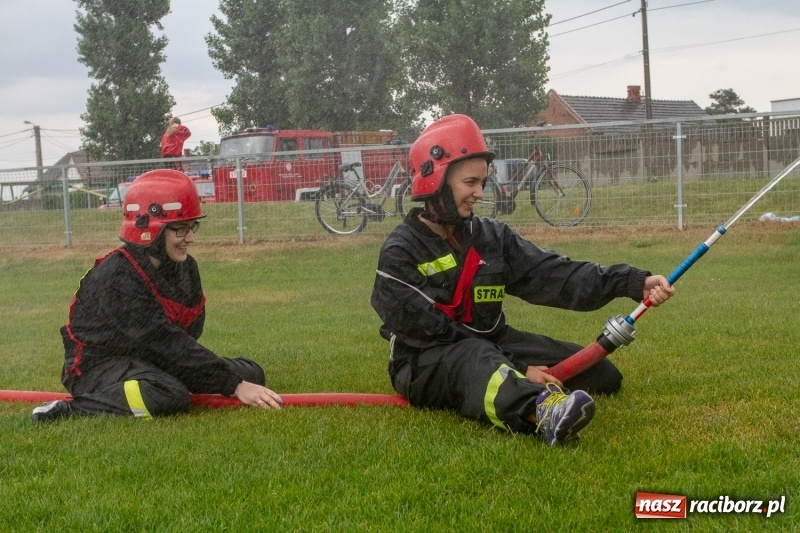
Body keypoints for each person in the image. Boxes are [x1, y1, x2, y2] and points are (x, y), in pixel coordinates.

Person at [370, 114, 674, 444]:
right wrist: (519, 368)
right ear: (436, 180)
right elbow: (436, 333)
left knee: (602, 375)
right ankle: (541, 411)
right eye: (470, 183)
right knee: (476, 357)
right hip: (425, 360)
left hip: (494, 343)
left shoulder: (491, 237)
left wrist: (629, 282)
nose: (480, 194)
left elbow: (554, 275)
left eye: (482, 183)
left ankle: (518, 384)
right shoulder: (400, 253)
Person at [32, 170, 282, 423]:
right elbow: (162, 340)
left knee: (252, 373)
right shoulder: (118, 276)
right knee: (170, 395)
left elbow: (182, 339)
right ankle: (66, 412)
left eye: (192, 226)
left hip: (151, 358)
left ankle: (163, 380)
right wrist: (233, 385)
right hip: (97, 366)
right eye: (181, 229)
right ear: (150, 228)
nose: (191, 238)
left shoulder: (185, 267)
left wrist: (236, 380)